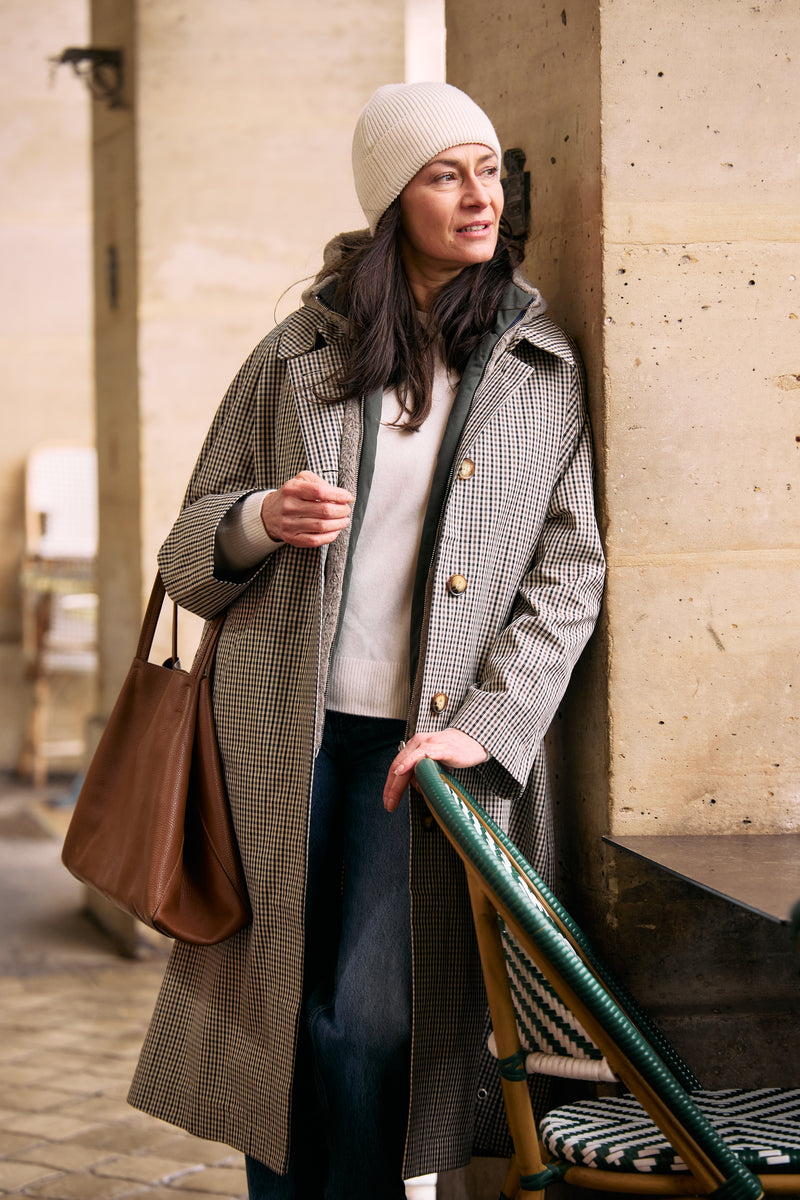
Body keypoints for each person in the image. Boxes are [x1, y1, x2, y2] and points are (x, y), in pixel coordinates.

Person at [129, 81, 605, 1199]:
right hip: (277, 742)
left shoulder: (539, 368)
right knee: (281, 1025)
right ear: (393, 200)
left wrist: (487, 726)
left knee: (369, 1026)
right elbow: (187, 548)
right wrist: (260, 518)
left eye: (486, 171)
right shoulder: (295, 355)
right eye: (445, 175)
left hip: (422, 757)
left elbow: (571, 569)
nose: (479, 197)